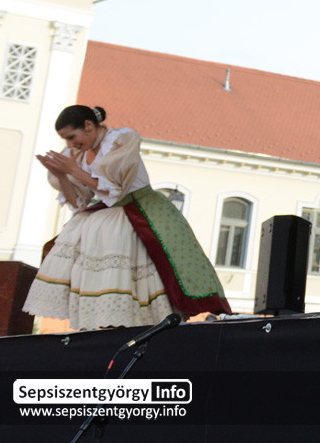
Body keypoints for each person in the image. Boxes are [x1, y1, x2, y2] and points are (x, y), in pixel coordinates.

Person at [23, 105, 231, 330]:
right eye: (65, 139)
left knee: (141, 277)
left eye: (72, 137)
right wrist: (62, 174)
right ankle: (105, 324)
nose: (70, 144)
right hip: (105, 218)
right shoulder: (78, 156)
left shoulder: (120, 141)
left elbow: (117, 190)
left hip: (139, 211)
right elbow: (78, 202)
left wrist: (73, 170)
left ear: (88, 125)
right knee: (100, 272)